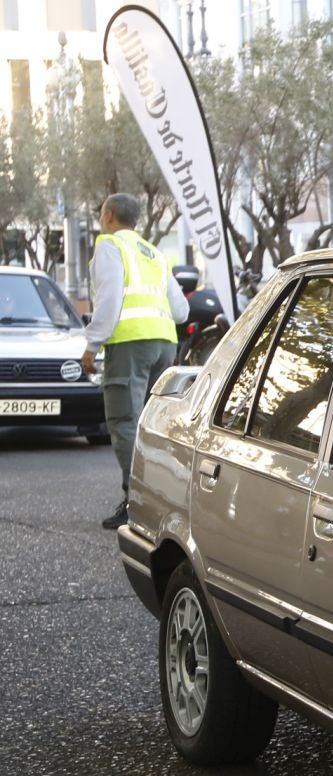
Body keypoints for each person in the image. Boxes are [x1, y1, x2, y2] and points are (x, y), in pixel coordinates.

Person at [82, 193, 189, 530]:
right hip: (164, 344)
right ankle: (163, 500)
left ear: (109, 215)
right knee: (153, 425)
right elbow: (181, 310)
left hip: (130, 345)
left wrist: (91, 344)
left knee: (125, 423)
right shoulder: (154, 252)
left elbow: (110, 299)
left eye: (102, 214)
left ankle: (136, 502)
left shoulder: (110, 246)